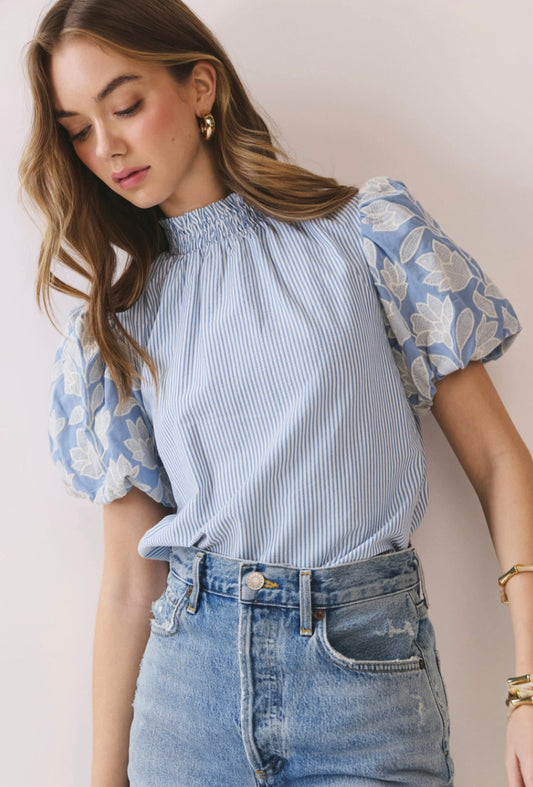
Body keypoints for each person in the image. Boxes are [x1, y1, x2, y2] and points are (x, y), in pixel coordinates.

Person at [19, 0, 533, 785]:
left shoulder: (366, 234)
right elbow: (128, 584)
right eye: (79, 129)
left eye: (124, 105)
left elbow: (499, 459)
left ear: (200, 88)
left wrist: (527, 682)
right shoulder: (114, 328)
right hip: (188, 692)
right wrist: (102, 776)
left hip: (366, 680)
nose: (107, 146)